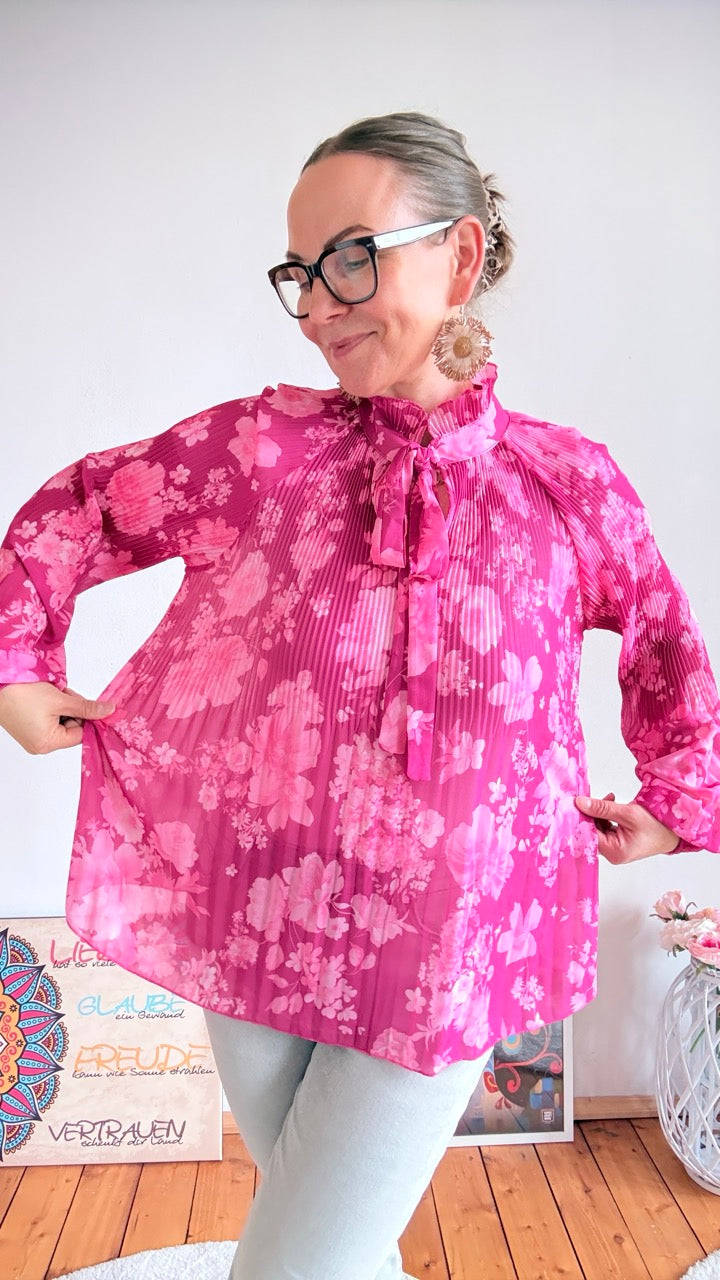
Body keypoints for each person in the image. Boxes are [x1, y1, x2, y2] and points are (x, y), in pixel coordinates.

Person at [1, 111, 719, 1280]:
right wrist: (18, 665)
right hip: (249, 903)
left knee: (294, 1263)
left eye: (351, 257)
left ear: (461, 255)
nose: (319, 305)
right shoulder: (259, 449)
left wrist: (674, 798)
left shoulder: (566, 483)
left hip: (447, 937)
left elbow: (666, 641)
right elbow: (81, 507)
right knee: (334, 1241)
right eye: (300, 271)